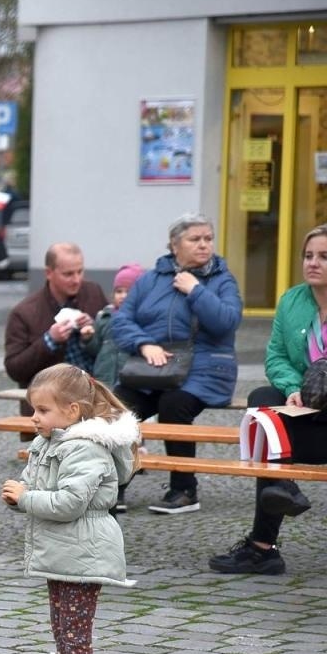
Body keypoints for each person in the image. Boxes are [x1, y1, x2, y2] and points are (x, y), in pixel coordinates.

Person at [0, 363, 139, 654]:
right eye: (33, 409)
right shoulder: (47, 443)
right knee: (61, 626)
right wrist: (18, 496)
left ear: (72, 410)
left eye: (42, 410)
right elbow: (35, 487)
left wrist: (26, 498)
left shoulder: (85, 449)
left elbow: (69, 503)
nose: (34, 417)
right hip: (62, 550)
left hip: (84, 552)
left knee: (75, 632)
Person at [208, 225, 327, 574]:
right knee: (263, 404)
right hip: (305, 409)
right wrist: (293, 389)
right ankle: (278, 497)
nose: (313, 263)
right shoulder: (292, 301)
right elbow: (276, 357)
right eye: (308, 256)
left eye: (324, 257)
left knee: (271, 444)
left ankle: (262, 546)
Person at [110, 213, 242, 514]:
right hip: (153, 368)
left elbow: (227, 322)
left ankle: (184, 490)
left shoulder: (222, 279)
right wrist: (144, 344)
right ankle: (113, 487)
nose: (204, 245)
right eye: (195, 239)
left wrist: (195, 290)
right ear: (174, 245)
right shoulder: (150, 279)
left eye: (208, 238)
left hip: (205, 370)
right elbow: (121, 320)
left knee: (173, 405)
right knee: (115, 408)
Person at [4, 243, 109, 403]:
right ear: (49, 273)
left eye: (80, 272)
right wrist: (49, 341)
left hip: (95, 397)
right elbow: (14, 370)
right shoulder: (24, 312)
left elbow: (113, 345)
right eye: (68, 274)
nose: (76, 280)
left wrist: (95, 329)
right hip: (51, 404)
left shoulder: (93, 293)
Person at [84, 263, 143, 392]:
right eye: (119, 291)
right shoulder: (104, 317)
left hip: (129, 382)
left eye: (128, 291)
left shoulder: (141, 320)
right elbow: (96, 350)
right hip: (104, 380)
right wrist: (88, 339)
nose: (123, 296)